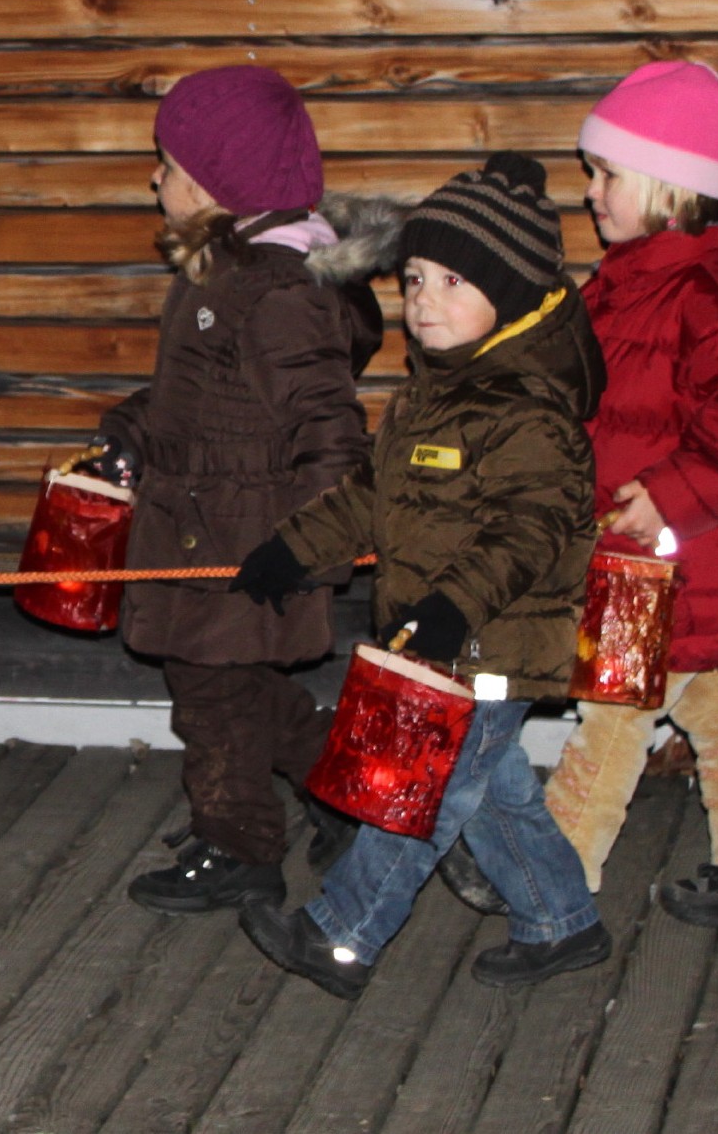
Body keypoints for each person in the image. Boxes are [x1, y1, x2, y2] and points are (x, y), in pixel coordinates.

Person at [232, 153, 610, 998]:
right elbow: (371, 497)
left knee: (422, 792)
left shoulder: (530, 412)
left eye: (452, 281)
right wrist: (294, 549)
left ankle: (341, 936)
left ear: (509, 297)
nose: (424, 300)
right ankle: (561, 920)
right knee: (495, 793)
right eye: (414, 278)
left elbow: (529, 531)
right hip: (443, 641)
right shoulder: (431, 397)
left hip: (488, 641)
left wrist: (452, 607)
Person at [83, 66, 386, 915]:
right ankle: (344, 794)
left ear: (219, 184)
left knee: (212, 700)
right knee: (238, 690)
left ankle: (239, 845)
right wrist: (130, 432)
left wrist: (315, 546)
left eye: (170, 165)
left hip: (250, 544)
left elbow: (329, 430)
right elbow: (194, 400)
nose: (155, 178)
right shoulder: (224, 271)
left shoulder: (278, 293)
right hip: (201, 526)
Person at [541, 61, 718, 926]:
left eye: (607, 174)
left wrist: (669, 494)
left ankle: (546, 880)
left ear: (669, 188)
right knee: (708, 698)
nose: (589, 190)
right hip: (649, 561)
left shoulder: (713, 304)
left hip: (682, 564)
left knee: (611, 715)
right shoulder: (623, 287)